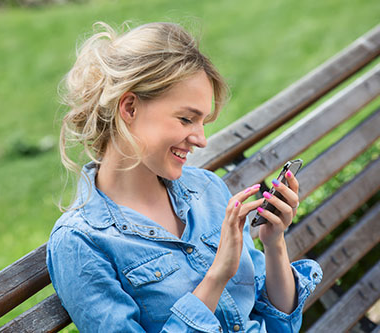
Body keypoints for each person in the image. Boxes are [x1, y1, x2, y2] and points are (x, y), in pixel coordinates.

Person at [46, 21, 322, 333]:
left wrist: (273, 245)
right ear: (130, 107)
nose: (201, 139)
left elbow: (279, 324)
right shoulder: (81, 242)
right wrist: (216, 277)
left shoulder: (208, 191)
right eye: (186, 119)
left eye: (203, 122)